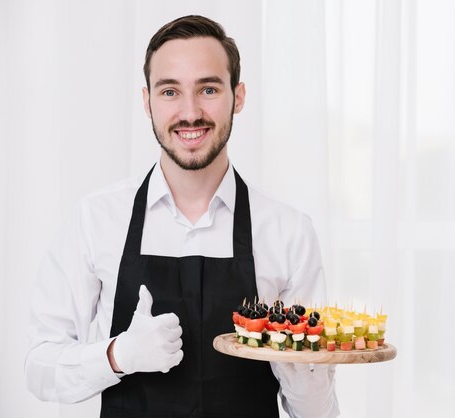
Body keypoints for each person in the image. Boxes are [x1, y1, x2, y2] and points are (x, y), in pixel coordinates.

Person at [25, 15, 339, 418]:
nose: (190, 113)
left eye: (208, 88)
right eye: (170, 91)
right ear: (147, 101)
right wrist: (118, 354)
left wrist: (295, 363)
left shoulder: (288, 232)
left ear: (238, 96)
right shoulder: (95, 220)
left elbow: (316, 414)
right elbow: (39, 367)